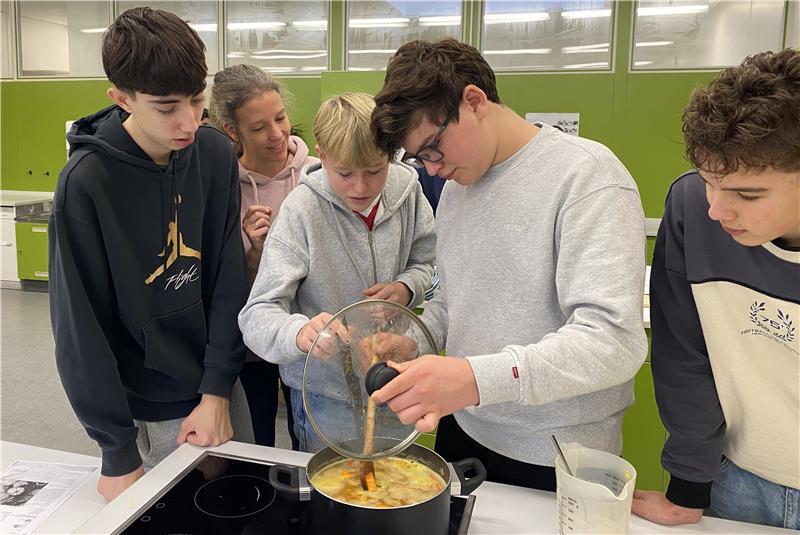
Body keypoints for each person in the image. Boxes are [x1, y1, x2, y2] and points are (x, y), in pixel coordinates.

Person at [369, 38, 647, 491]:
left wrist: (476, 379)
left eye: (433, 148)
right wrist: (415, 341)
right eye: (419, 158)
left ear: (474, 101)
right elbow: (452, 302)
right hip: (464, 429)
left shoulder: (588, 176)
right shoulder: (456, 191)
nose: (431, 169)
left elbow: (613, 341)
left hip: (557, 453)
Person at [49, 7, 253, 502]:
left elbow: (227, 278)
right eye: (166, 107)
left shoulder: (214, 154)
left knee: (246, 509)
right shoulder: (86, 183)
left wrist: (217, 390)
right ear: (122, 99)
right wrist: (117, 451)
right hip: (145, 405)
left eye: (197, 100)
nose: (189, 121)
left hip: (218, 384)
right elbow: (79, 327)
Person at [631, 49, 800, 530]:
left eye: (747, 194)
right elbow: (685, 357)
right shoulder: (691, 209)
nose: (717, 210)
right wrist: (687, 487)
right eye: (709, 181)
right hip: (738, 481)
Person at [238, 92, 436, 453]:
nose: (360, 187)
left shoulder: (409, 193)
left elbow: (429, 265)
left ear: (391, 156)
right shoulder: (301, 211)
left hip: (396, 379)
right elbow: (257, 314)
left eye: (374, 171)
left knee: (396, 477)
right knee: (331, 482)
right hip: (324, 396)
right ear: (322, 155)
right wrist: (300, 333)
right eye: (344, 173)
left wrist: (407, 287)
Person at [209, 64, 319, 450]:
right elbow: (219, 282)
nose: (276, 134)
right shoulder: (224, 187)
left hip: (309, 335)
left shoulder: (316, 175)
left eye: (280, 118)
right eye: (258, 128)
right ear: (232, 131)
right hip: (251, 346)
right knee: (254, 443)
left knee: (311, 442)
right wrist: (254, 256)